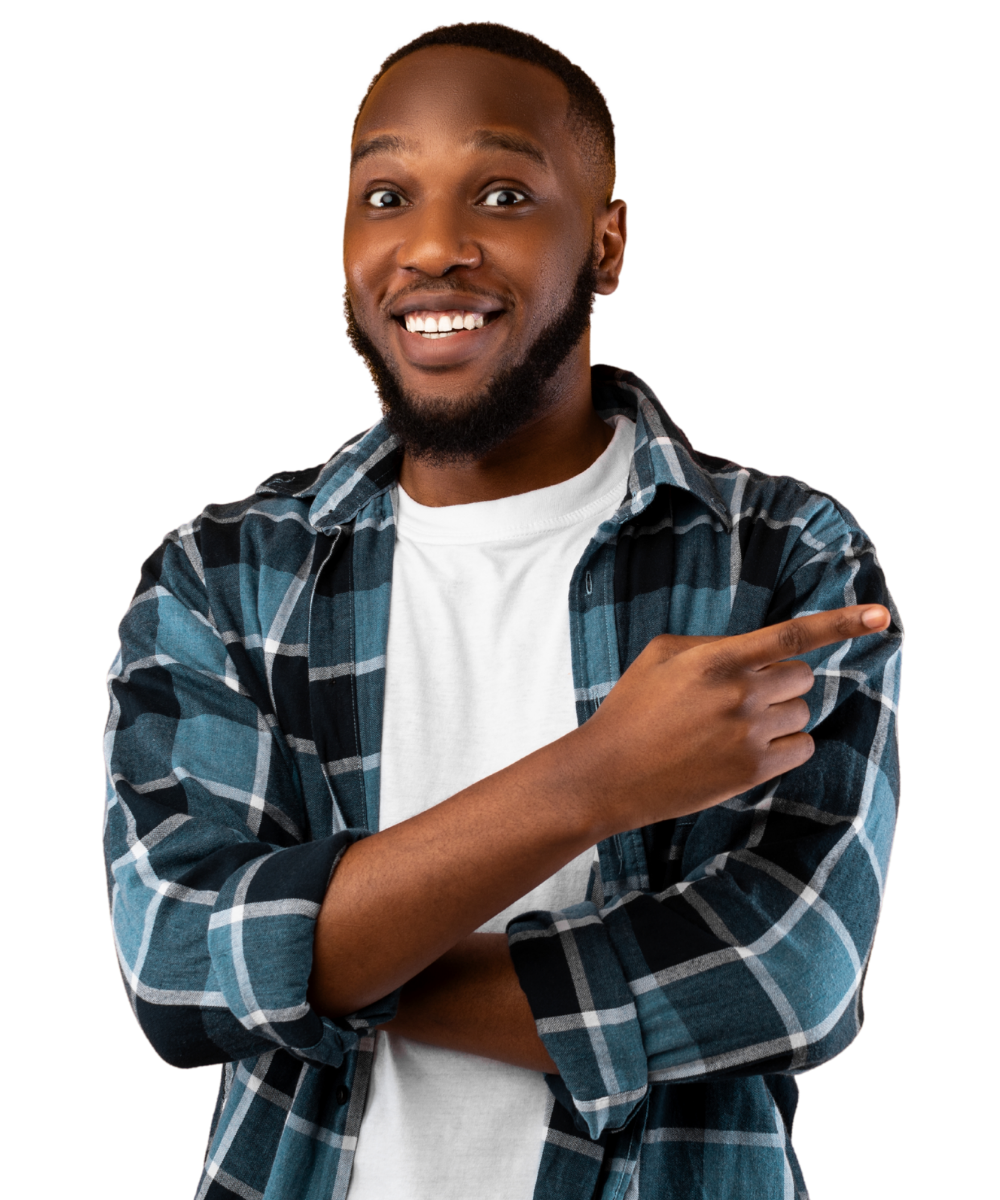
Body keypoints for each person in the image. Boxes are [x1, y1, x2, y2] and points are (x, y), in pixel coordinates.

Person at [103, 22, 903, 1200]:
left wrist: (315, 961)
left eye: (502, 193)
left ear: (607, 243)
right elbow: (176, 966)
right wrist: (595, 780)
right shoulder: (225, 576)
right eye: (385, 196)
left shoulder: (783, 559)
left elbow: (789, 974)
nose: (432, 246)